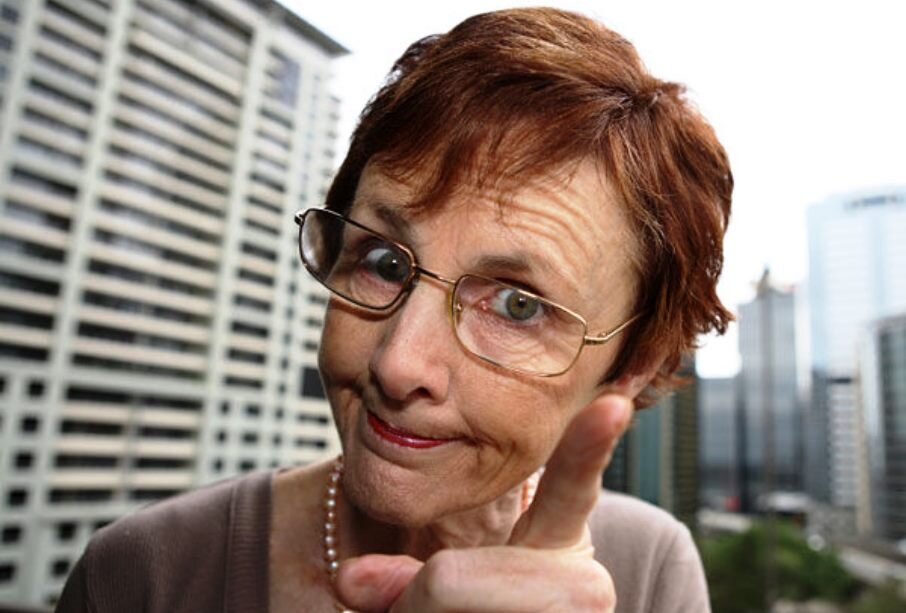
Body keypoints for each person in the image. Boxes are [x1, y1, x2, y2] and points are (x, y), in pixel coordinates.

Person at [57, 7, 732, 612]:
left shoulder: (652, 571)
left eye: (517, 304)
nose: (398, 364)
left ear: (626, 370)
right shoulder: (139, 576)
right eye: (384, 262)